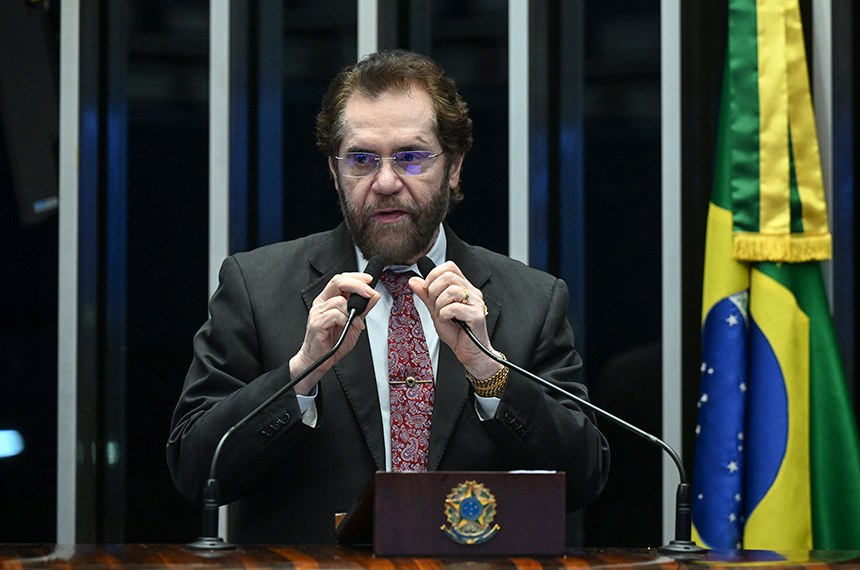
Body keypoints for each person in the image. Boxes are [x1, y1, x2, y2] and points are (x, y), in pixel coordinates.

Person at [167, 49, 609, 545]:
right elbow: (195, 468)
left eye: (411, 157)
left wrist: (491, 375)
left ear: (455, 167)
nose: (385, 182)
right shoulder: (256, 286)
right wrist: (300, 376)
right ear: (335, 171)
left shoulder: (533, 298)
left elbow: (585, 476)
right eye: (361, 160)